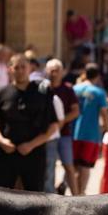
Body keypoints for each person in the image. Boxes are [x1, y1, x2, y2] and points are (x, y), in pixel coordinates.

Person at [0, 54, 59, 192]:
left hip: (34, 153)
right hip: (7, 153)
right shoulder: (3, 92)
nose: (20, 71)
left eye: (23, 67)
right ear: (10, 69)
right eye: (16, 67)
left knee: (34, 196)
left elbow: (53, 125)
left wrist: (31, 145)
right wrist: (0, 140)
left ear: (30, 68)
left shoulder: (42, 91)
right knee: (1, 194)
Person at [72, 64, 108, 195]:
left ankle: (74, 192)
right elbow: (104, 114)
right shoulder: (99, 92)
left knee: (75, 165)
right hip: (91, 134)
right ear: (98, 76)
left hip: (73, 132)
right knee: (85, 166)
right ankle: (81, 193)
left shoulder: (75, 89)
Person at [45, 58, 80, 194]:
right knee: (49, 167)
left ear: (62, 72)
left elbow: (75, 111)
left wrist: (60, 122)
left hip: (64, 134)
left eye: (57, 70)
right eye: (52, 70)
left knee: (69, 166)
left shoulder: (68, 89)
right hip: (46, 135)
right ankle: (50, 196)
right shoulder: (42, 88)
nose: (54, 73)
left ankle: (76, 197)